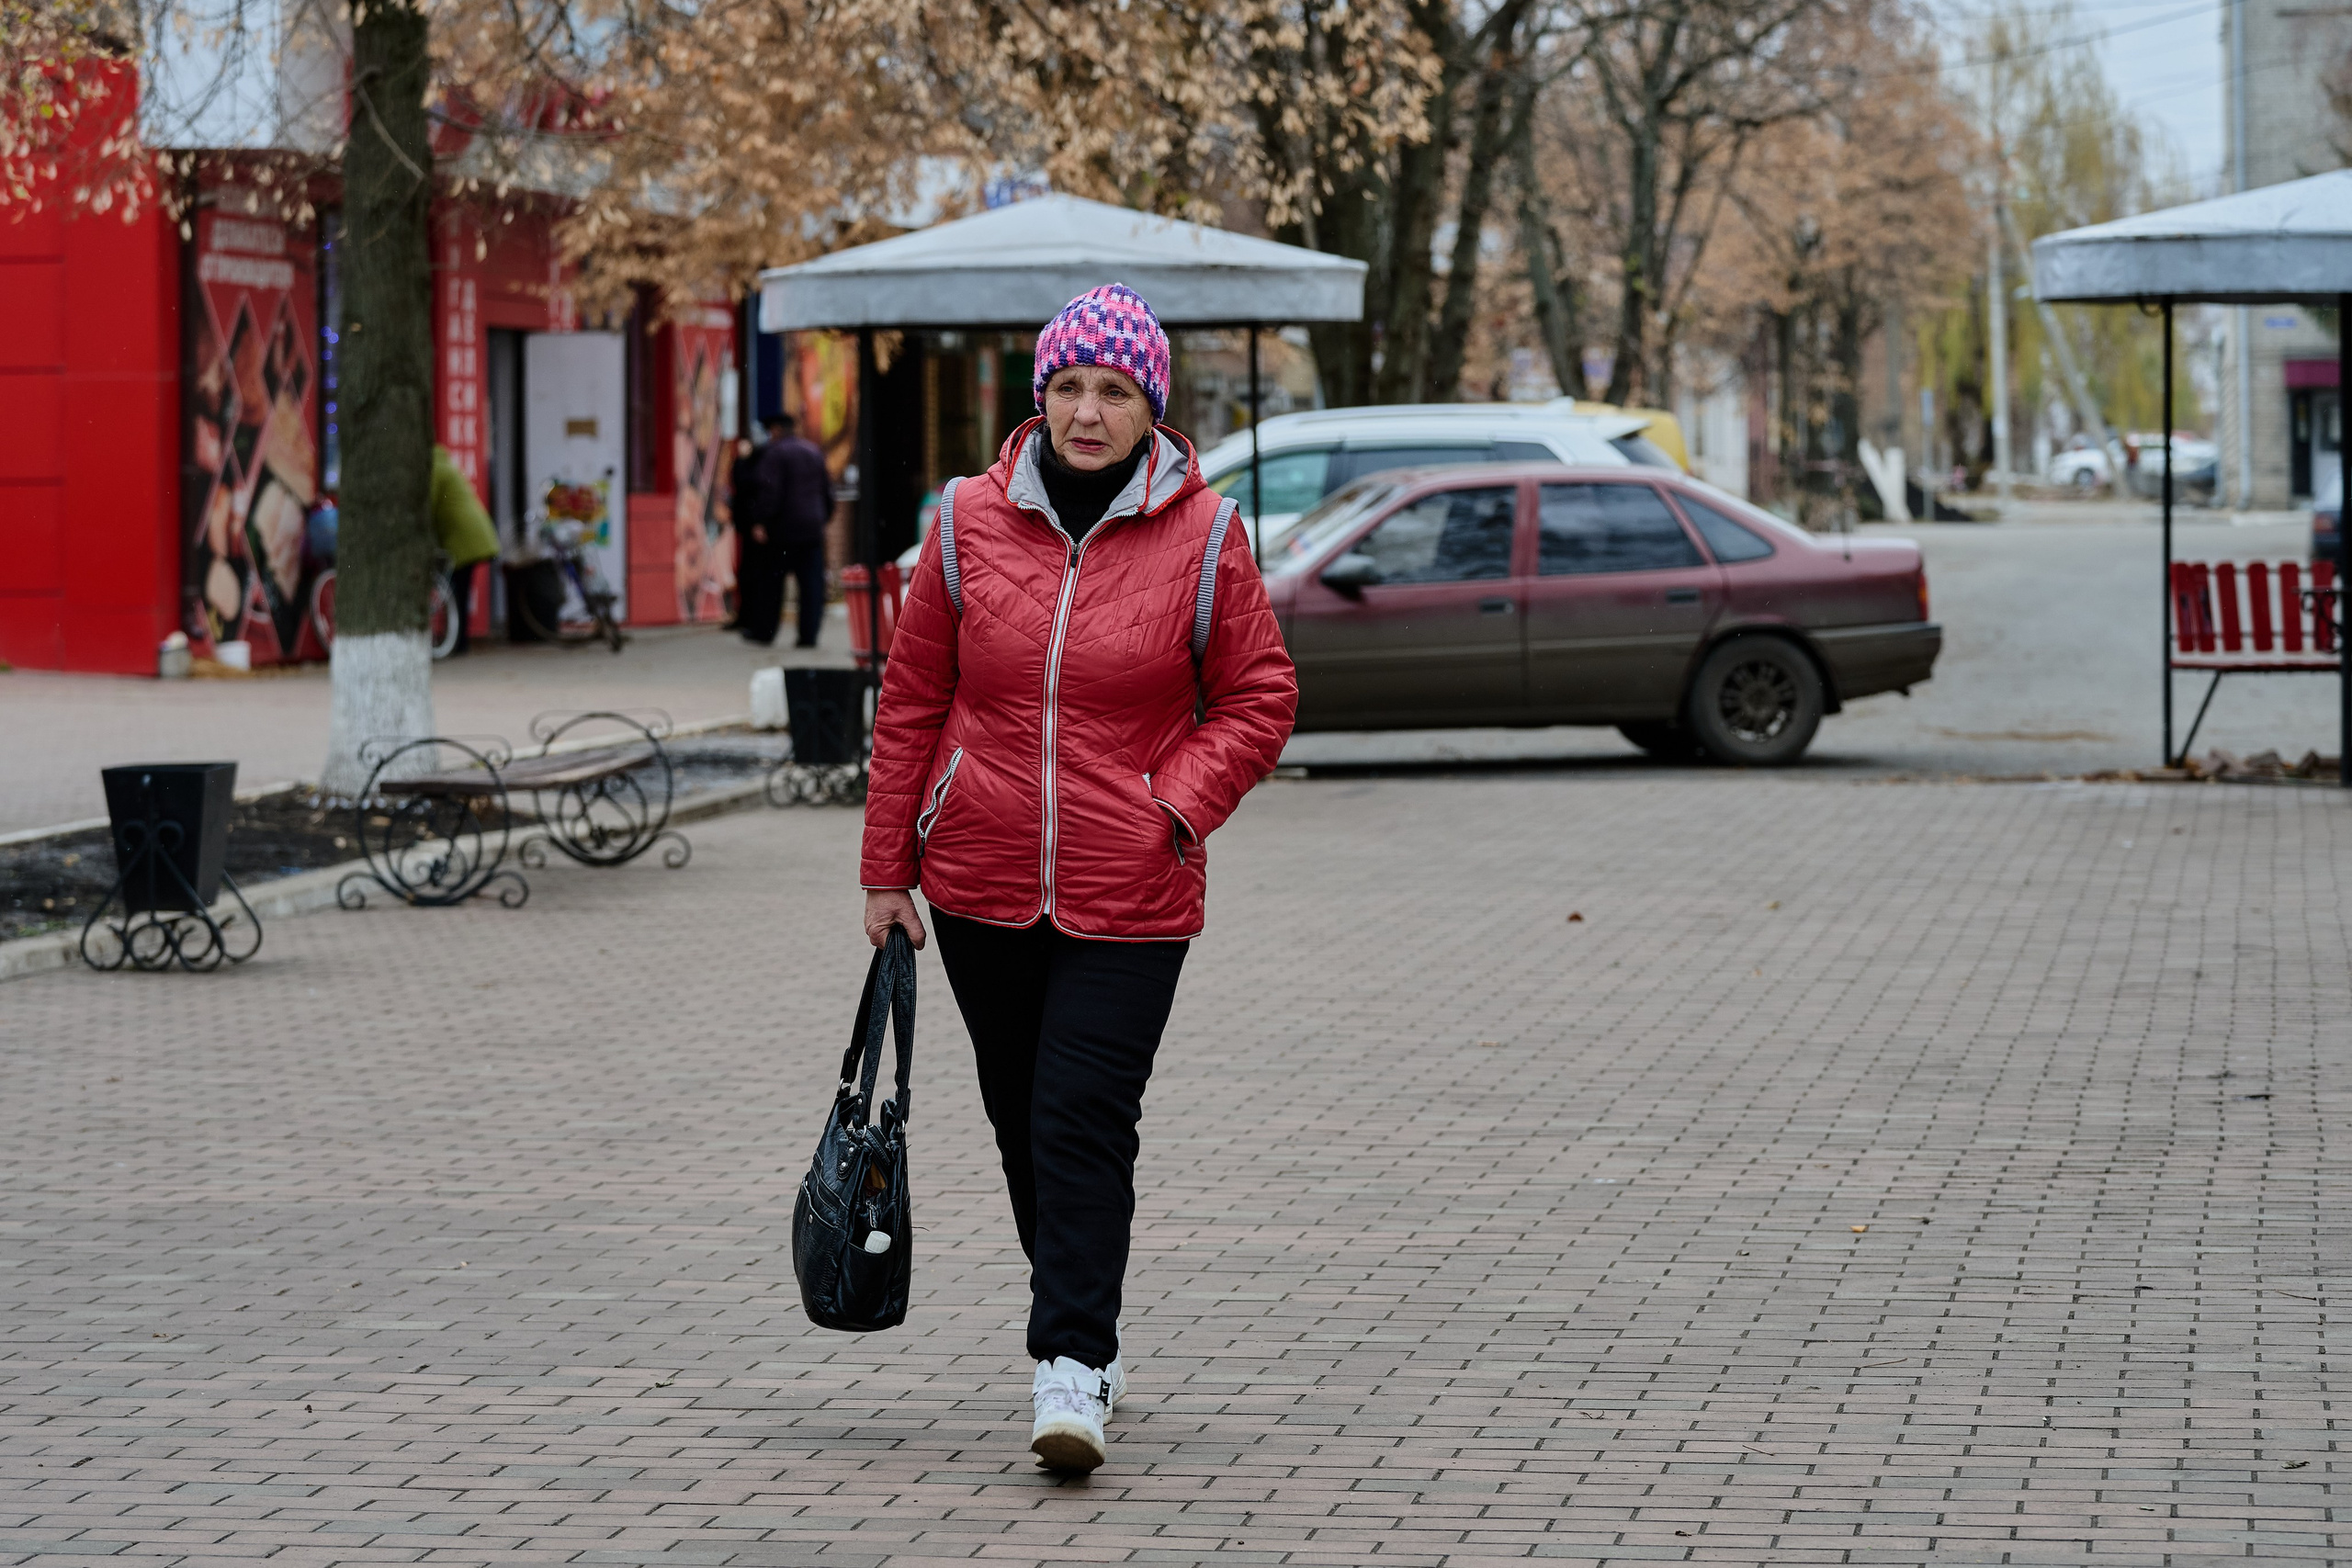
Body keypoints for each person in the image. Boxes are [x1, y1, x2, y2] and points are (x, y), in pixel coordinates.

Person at [859, 284, 1297, 1472]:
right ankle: (1080, 1308)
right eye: (1068, 387)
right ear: (1039, 396)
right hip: (980, 879)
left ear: (1152, 406)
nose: (1088, 412)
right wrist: (887, 868)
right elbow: (913, 697)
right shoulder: (966, 520)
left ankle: (1071, 1361)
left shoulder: (1206, 533)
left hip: (1135, 888)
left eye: (1113, 390)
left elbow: (1260, 696)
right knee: (1021, 1123)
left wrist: (1173, 806)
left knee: (1080, 1118)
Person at [743, 412, 833, 647]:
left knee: (772, 584)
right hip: (812, 528)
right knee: (811, 585)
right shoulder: (814, 452)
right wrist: (824, 516)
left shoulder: (774, 454)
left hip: (783, 529)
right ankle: (808, 636)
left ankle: (765, 632)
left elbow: (770, 492)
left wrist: (761, 521)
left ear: (775, 430)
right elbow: (827, 490)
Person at [428, 445, 500, 654]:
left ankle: (458, 644)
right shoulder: (444, 465)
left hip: (465, 540)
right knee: (459, 591)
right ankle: (460, 643)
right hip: (473, 536)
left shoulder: (435, 469)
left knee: (456, 591)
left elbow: (428, 505)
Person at [722, 436, 762, 633]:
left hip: (754, 527)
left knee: (752, 573)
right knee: (748, 572)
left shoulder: (756, 465)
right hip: (749, 526)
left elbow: (745, 484)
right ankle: (748, 616)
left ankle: (751, 618)